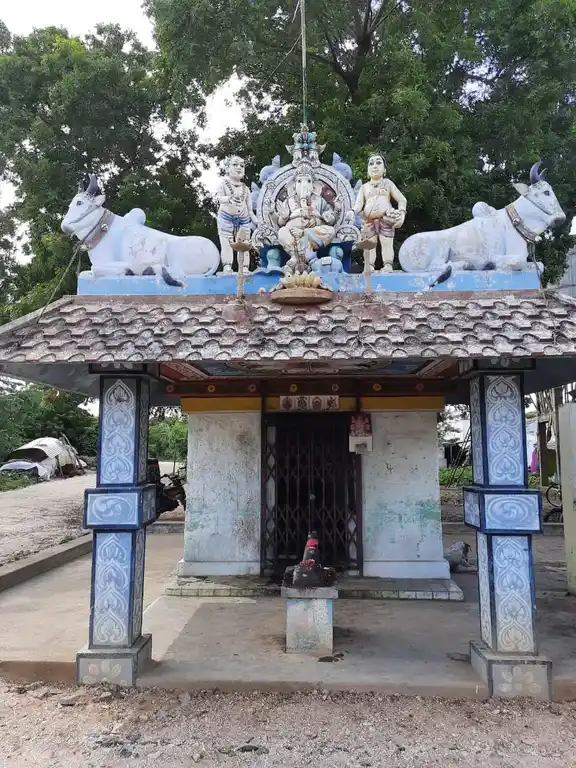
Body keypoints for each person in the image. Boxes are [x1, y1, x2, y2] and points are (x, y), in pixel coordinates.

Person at [354, 154, 407, 272]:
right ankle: (369, 265)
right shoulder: (364, 187)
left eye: (378, 163)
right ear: (367, 171)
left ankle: (388, 265)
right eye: (371, 163)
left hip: (386, 219)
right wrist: (352, 212)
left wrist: (402, 213)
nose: (374, 166)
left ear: (384, 170)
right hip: (369, 221)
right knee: (369, 246)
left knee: (387, 243)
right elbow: (358, 204)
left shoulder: (387, 183)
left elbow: (402, 199)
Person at [215, 155, 255, 274]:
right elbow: (219, 198)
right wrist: (229, 198)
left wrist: (257, 221)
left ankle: (244, 267)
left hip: (244, 219)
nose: (239, 168)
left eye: (242, 166)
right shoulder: (223, 185)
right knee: (226, 242)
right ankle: (227, 266)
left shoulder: (245, 189)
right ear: (227, 168)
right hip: (226, 217)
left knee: (245, 243)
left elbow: (250, 209)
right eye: (235, 165)